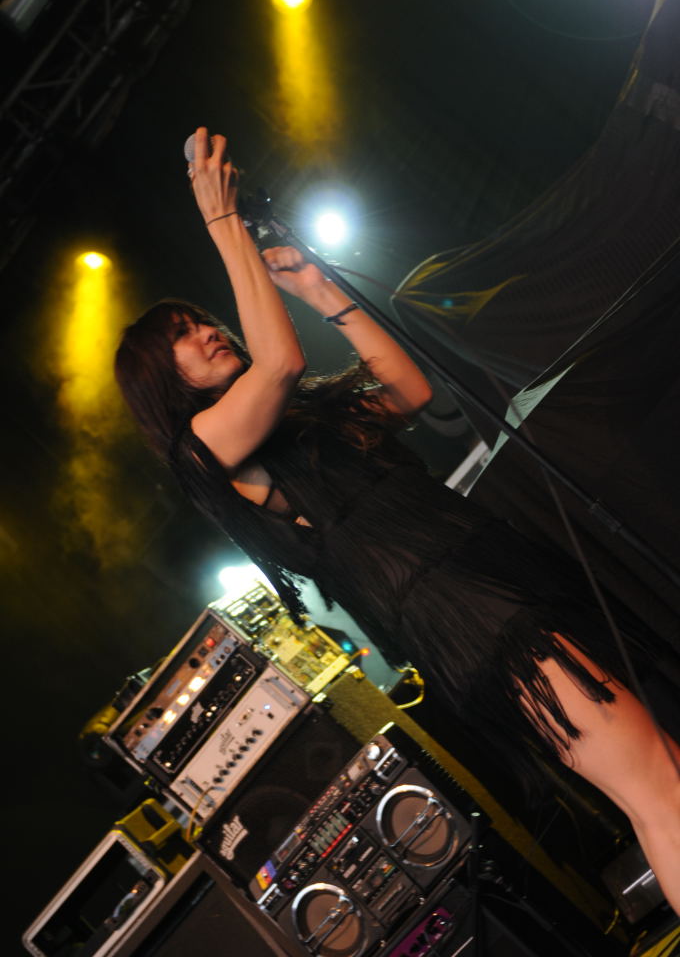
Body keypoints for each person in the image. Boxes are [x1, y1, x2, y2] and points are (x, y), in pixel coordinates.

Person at [115, 128, 680, 912]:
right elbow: (281, 361)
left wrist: (324, 296)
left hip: (493, 574)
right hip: (466, 614)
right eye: (182, 334)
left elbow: (408, 392)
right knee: (654, 784)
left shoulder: (299, 426)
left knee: (664, 766)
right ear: (161, 381)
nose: (208, 329)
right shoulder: (203, 450)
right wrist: (222, 222)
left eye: (200, 319)